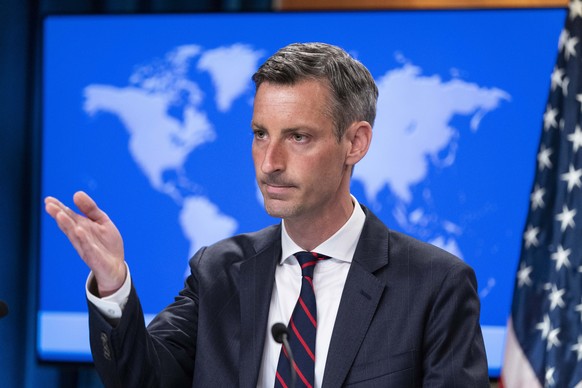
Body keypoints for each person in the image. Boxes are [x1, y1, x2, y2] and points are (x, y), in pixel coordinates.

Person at [45, 42, 489, 387]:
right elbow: (140, 379)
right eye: (260, 134)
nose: (269, 162)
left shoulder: (435, 285)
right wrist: (113, 284)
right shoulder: (219, 271)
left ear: (355, 143)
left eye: (297, 137)